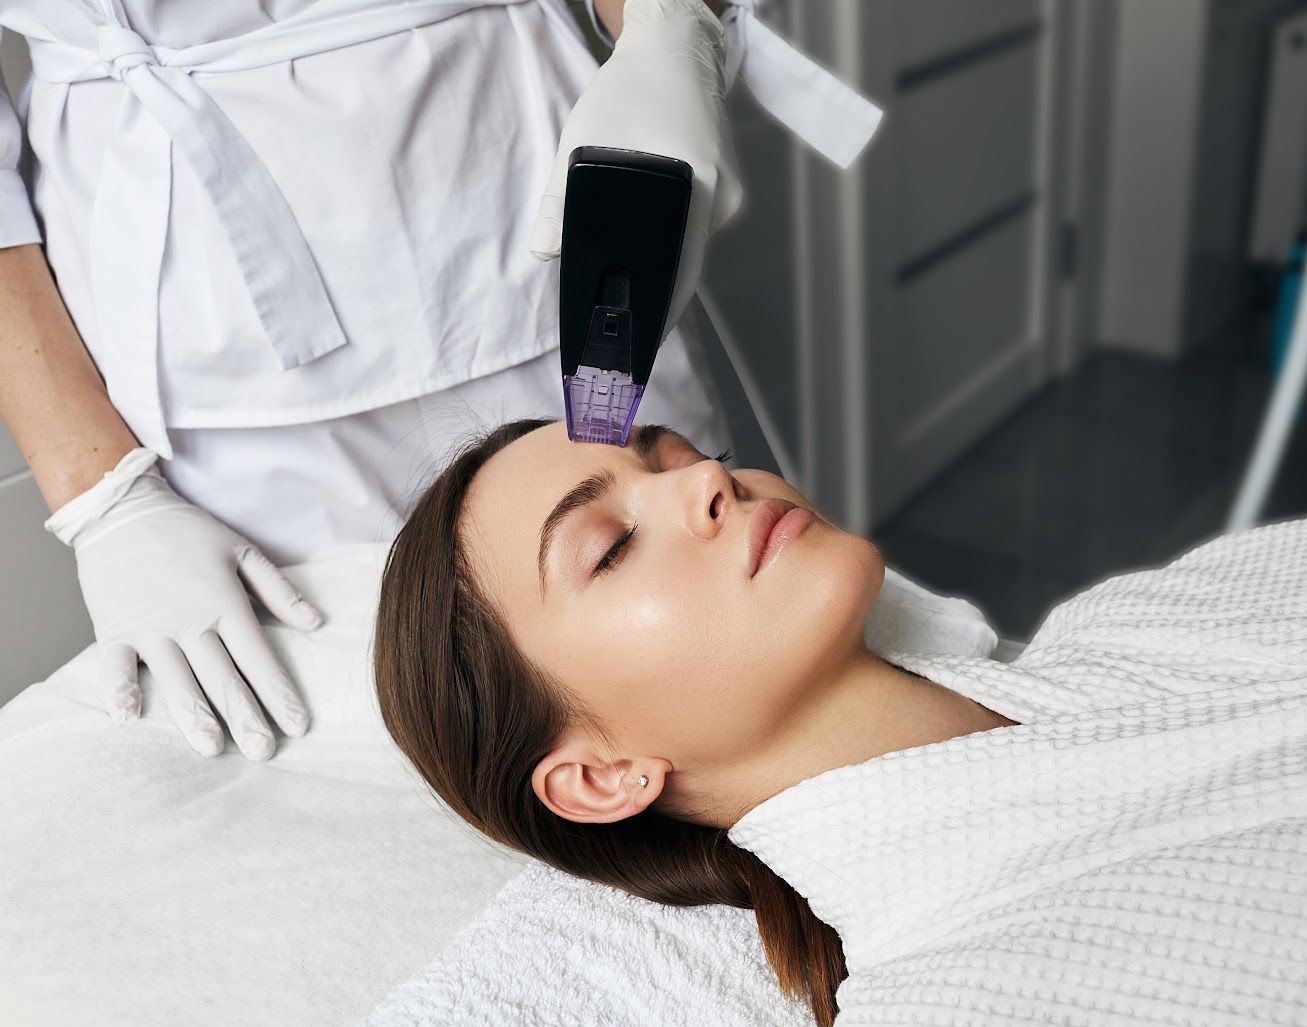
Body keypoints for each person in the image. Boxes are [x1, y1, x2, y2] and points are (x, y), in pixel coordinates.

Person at [373, 415, 1307, 1027]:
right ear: (601, 774)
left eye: (684, 455)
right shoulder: (969, 1024)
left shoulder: (1225, 587)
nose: (705, 484)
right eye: (611, 542)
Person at [0, 0, 880, 762]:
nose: (711, 488)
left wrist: (665, 26)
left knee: (753, 660)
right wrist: (101, 497)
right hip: (211, 342)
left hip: (536, 202)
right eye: (606, 547)